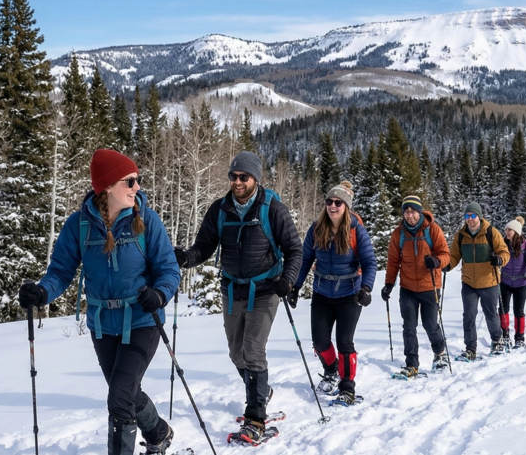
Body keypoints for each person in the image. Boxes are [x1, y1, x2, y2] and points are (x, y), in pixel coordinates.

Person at [18, 150, 180, 455]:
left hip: (143, 319)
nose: (137, 187)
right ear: (106, 187)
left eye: (138, 180)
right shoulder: (79, 226)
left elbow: (169, 269)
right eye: (129, 181)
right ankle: (159, 432)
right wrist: (42, 293)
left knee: (120, 395)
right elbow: (61, 272)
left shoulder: (147, 220)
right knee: (126, 393)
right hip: (102, 324)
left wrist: (159, 294)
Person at [174, 151, 302, 445]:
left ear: (255, 178)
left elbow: (295, 249)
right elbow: (204, 246)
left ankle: (255, 418)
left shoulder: (273, 210)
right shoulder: (220, 210)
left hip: (266, 288)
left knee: (253, 350)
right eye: (233, 176)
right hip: (232, 289)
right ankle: (261, 389)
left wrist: (288, 280)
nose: (237, 181)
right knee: (236, 352)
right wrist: (186, 258)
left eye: (243, 177)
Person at [291, 181, 376, 405]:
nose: (333, 206)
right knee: (320, 341)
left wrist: (366, 288)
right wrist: (295, 286)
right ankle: (331, 370)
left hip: (350, 294)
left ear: (346, 206)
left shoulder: (356, 230)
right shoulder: (317, 228)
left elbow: (369, 262)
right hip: (322, 293)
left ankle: (347, 388)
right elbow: (305, 259)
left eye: (338, 202)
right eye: (329, 201)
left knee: (344, 342)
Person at [383, 195, 451, 378]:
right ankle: (411, 364)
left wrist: (436, 261)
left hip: (429, 285)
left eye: (413, 211)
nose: (409, 215)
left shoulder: (432, 230)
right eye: (406, 211)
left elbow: (446, 255)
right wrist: (389, 284)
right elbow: (393, 262)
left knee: (430, 324)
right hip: (407, 288)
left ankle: (439, 354)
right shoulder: (399, 234)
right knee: (409, 327)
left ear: (420, 212)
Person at [445, 202, 510, 358]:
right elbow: (454, 256)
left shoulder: (491, 232)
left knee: (491, 315)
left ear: (479, 217)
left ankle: (497, 341)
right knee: (468, 315)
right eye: (467, 216)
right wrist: (447, 265)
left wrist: (500, 260)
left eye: (473, 216)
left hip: (489, 281)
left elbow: (504, 251)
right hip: (468, 283)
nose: (470, 219)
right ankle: (470, 349)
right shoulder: (460, 236)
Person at [499, 217, 526, 348]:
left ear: (516, 231)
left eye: (509, 230)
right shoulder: (502, 244)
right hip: (505, 281)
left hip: (521, 283)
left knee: (518, 311)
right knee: (503, 309)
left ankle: (519, 338)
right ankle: (504, 335)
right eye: (506, 229)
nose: (506, 232)